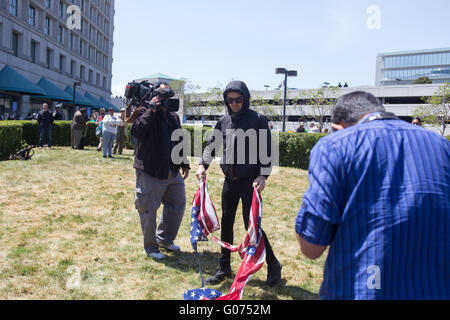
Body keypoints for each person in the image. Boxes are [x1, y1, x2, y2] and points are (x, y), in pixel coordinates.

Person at [295, 91, 450, 300]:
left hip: (362, 290)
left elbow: (311, 246)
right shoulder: (442, 145)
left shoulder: (335, 145)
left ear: (337, 127)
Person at [196, 80, 282, 287]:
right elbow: (212, 145)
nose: (234, 103)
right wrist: (202, 165)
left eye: (238, 99)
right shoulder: (223, 121)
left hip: (250, 182)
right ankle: (224, 268)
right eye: (230, 100)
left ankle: (273, 264)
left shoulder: (258, 120)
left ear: (245, 99)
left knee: (251, 225)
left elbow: (268, 151)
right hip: (229, 182)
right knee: (226, 223)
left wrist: (264, 176)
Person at [131, 83, 190, 260]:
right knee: (148, 209)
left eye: (168, 97)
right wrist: (151, 110)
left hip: (171, 169)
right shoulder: (144, 111)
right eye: (162, 96)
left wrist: (184, 163)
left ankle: (164, 239)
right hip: (150, 169)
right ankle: (150, 248)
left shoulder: (173, 117)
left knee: (177, 204)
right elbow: (136, 131)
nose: (165, 101)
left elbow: (179, 140)